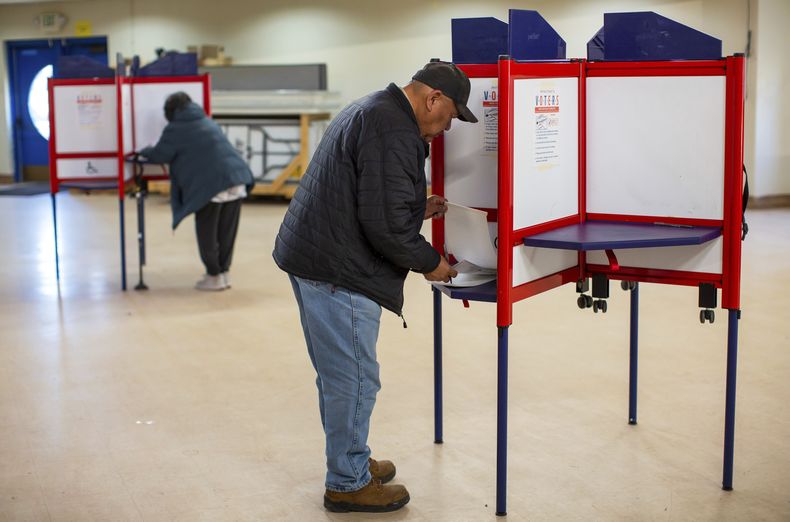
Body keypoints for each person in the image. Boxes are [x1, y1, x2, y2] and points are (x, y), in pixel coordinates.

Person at [272, 60, 478, 513]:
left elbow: (367, 194)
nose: (446, 130)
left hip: (314, 254)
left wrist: (415, 207)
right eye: (449, 118)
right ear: (433, 100)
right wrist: (432, 263)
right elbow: (382, 226)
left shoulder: (376, 108)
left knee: (339, 375)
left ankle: (352, 459)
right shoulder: (393, 132)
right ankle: (346, 482)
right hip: (337, 269)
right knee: (355, 379)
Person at [140, 92, 254, 291]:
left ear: (171, 111)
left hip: (211, 186)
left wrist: (143, 151)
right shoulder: (206, 120)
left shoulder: (176, 128)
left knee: (207, 233)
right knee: (226, 232)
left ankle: (214, 276)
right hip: (236, 180)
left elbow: (160, 154)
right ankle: (224, 273)